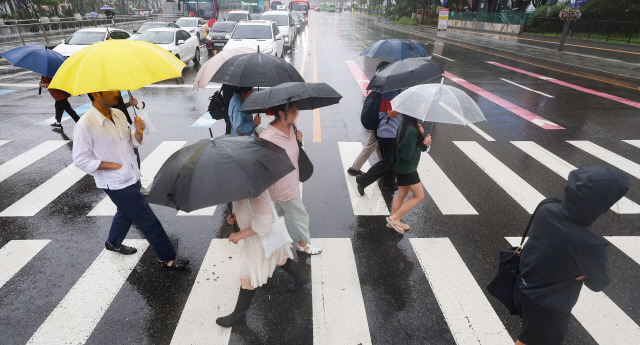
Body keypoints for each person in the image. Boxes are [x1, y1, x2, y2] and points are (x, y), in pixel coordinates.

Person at [72, 90, 190, 270]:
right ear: (96, 94)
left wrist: (139, 132)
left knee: (126, 212)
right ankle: (167, 258)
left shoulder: (118, 114)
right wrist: (112, 166)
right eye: (111, 90)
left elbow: (132, 142)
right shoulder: (85, 125)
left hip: (132, 175)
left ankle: (113, 242)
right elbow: (80, 159)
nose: (116, 93)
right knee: (147, 219)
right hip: (116, 182)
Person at [513, 166, 629, 345]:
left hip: (523, 287)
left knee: (531, 333)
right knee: (535, 339)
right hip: (550, 307)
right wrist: (584, 273)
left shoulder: (547, 207)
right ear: (600, 207)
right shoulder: (591, 244)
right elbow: (599, 283)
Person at [217, 190, 309, 327]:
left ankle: (238, 316)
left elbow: (264, 225)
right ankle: (302, 278)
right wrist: (233, 216)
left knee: (246, 280)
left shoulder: (256, 194)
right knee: (280, 259)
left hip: (260, 242)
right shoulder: (242, 188)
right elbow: (246, 209)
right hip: (263, 240)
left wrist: (239, 234)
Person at [260, 102, 322, 255]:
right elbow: (263, 165)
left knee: (275, 214)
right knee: (299, 215)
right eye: (294, 111)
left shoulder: (291, 127)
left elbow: (294, 151)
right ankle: (302, 243)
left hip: (291, 180)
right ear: (281, 113)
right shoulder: (268, 137)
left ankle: (264, 240)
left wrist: (298, 139)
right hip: (282, 185)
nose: (297, 113)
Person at [385, 117, 431, 233]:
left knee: (402, 193)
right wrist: (424, 145)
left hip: (401, 166)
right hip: (407, 169)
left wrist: (419, 134)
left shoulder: (405, 124)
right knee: (419, 196)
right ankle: (394, 218)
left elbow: (406, 146)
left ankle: (394, 221)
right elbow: (407, 155)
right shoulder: (411, 130)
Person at [346, 61, 390, 176]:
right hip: (378, 123)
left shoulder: (377, 83)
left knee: (379, 147)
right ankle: (354, 168)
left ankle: (384, 167)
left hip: (375, 121)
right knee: (371, 145)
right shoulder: (384, 86)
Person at [355, 88, 402, 195]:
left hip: (391, 131)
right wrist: (404, 108)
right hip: (387, 132)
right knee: (388, 161)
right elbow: (390, 113)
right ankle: (363, 179)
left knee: (393, 159)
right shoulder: (391, 92)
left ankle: (388, 183)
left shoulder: (395, 91)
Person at [112, 94, 149, 196]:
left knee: (134, 157)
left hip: (124, 124)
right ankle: (131, 187)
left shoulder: (114, 87)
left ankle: (137, 185)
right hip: (114, 127)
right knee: (126, 158)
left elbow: (118, 106)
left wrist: (129, 104)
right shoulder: (102, 89)